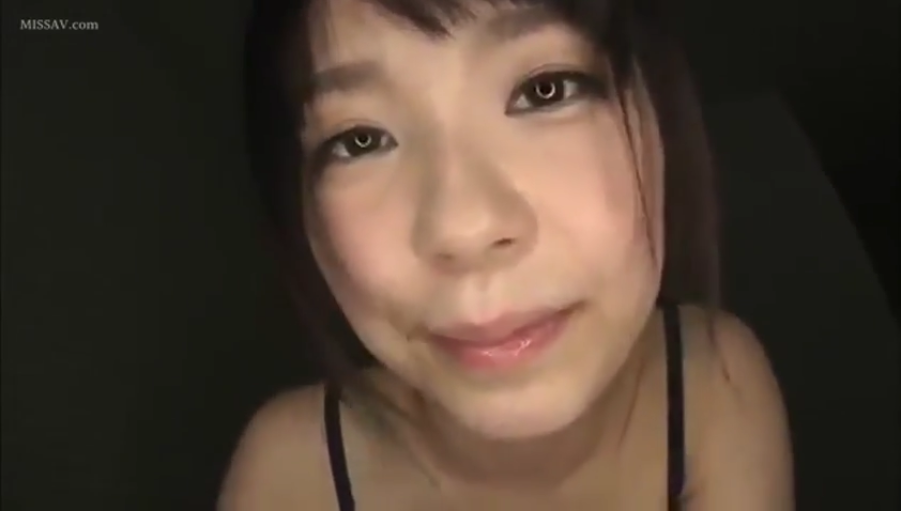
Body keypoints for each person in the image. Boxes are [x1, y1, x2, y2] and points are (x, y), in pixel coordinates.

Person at [221, 0, 794, 509]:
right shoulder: (292, 479)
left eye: (546, 89)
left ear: (657, 114)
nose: (464, 229)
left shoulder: (714, 388)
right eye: (360, 140)